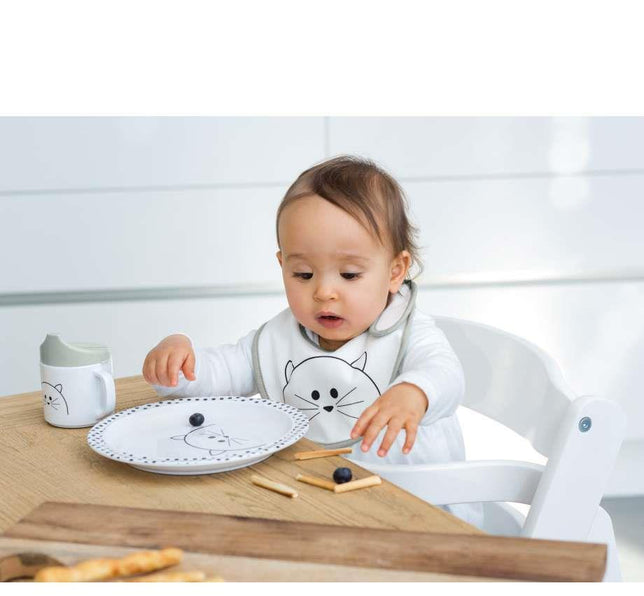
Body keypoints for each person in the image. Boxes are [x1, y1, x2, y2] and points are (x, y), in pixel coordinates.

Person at [143, 155, 483, 527]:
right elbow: (225, 371)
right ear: (282, 266)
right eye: (303, 274)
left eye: (349, 274)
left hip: (421, 512)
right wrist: (181, 364)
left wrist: (415, 392)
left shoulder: (409, 334)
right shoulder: (281, 337)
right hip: (322, 506)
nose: (323, 292)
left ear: (394, 272)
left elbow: (445, 373)